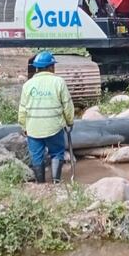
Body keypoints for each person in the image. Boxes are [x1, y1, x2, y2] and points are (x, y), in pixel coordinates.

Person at [18, 51, 74, 183]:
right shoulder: (58, 82)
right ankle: (56, 182)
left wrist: (24, 126)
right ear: (51, 67)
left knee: (36, 156)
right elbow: (67, 105)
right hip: (53, 126)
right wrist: (69, 122)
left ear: (37, 68)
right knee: (57, 152)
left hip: (33, 129)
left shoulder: (28, 85)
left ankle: (41, 184)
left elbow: (22, 109)